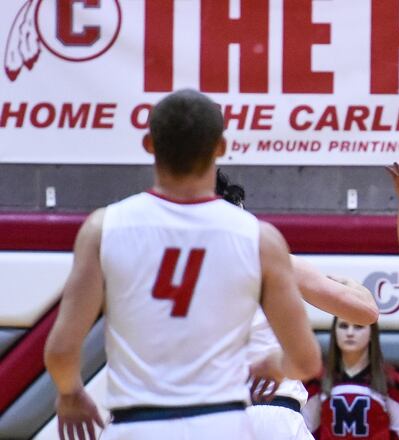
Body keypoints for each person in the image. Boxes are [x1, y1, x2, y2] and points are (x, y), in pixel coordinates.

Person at [43, 89, 322, 440]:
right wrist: (274, 364)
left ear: (149, 144)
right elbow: (307, 360)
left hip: (136, 426)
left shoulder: (103, 228)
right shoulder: (259, 239)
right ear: (220, 148)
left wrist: (70, 393)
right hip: (222, 424)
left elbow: (61, 351)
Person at [215, 169, 380, 439]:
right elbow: (366, 312)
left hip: (209, 419)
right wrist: (355, 287)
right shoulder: (271, 258)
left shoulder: (175, 271)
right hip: (272, 414)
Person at [302, 317, 399, 440]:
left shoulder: (390, 382)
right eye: (343, 326)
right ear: (334, 332)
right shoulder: (318, 380)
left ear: (371, 334)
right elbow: (307, 432)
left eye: (358, 327)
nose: (350, 333)